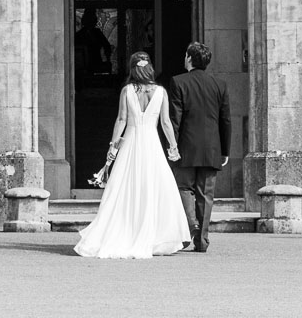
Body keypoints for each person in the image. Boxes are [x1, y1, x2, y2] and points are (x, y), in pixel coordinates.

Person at [73, 51, 191, 258]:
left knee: (124, 188)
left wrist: (113, 147)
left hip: (131, 142)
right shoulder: (161, 92)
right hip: (151, 144)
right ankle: (154, 236)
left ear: (133, 69)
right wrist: (173, 146)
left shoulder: (127, 90)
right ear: (149, 69)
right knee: (154, 187)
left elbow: (121, 120)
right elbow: (165, 122)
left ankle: (126, 231)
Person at [169, 41, 231, 254]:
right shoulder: (219, 84)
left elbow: (174, 117)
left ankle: (192, 227)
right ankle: (202, 239)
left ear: (188, 58)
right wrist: (225, 150)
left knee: (184, 188)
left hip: (186, 145)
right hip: (212, 148)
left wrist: (172, 145)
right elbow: (226, 120)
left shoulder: (178, 82)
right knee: (206, 194)